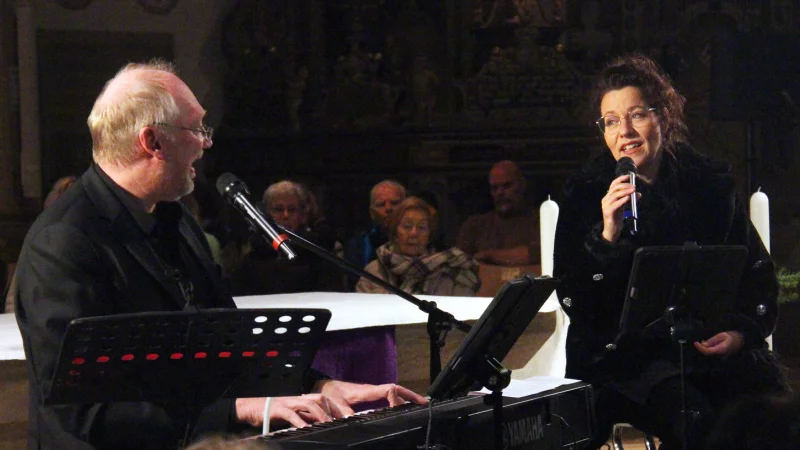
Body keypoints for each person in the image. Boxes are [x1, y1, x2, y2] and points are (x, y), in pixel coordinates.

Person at [13, 60, 426, 450]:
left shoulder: (175, 219)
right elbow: (82, 414)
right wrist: (238, 410)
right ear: (152, 142)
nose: (207, 141)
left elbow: (231, 345)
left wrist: (319, 385)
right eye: (196, 128)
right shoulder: (64, 242)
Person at [553, 53, 789, 450]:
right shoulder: (585, 194)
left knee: (773, 414)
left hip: (704, 349)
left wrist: (739, 332)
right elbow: (574, 297)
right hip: (624, 362)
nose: (625, 132)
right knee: (692, 417)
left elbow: (757, 275)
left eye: (637, 115)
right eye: (611, 121)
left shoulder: (709, 186)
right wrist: (606, 236)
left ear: (663, 115)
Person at [230, 180, 344, 295]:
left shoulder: (318, 257)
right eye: (279, 209)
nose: (285, 215)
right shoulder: (252, 260)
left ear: (302, 216)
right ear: (265, 215)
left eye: (292, 209)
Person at [357, 197, 480, 296]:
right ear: (395, 233)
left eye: (421, 227)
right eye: (407, 226)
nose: (414, 233)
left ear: (429, 236)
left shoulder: (452, 271)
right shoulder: (373, 272)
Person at [455, 160, 540, 265]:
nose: (500, 193)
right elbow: (459, 264)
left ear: (522, 185)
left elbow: (538, 255)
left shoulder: (540, 221)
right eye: (494, 188)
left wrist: (488, 255)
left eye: (507, 186)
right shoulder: (475, 226)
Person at [343, 179, 406, 289]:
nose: (388, 208)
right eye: (381, 204)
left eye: (395, 203)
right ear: (372, 213)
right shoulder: (358, 246)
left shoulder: (420, 241)